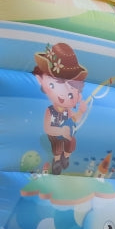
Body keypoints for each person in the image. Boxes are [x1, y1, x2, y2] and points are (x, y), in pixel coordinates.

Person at [33, 42, 89, 174]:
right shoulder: (50, 111)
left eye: (70, 94)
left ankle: (66, 157)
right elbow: (47, 128)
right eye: (53, 86)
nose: (63, 97)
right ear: (41, 80)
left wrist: (80, 111)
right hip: (55, 134)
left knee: (71, 142)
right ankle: (57, 160)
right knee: (57, 145)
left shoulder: (67, 110)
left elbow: (74, 119)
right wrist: (60, 131)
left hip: (65, 133)